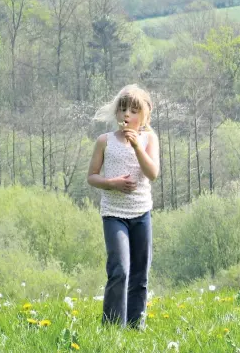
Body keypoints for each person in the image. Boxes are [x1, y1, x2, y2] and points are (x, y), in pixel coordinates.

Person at [87, 84, 160, 329]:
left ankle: (135, 327)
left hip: (141, 214)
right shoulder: (104, 141)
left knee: (140, 274)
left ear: (143, 116)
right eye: (123, 109)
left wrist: (137, 146)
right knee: (119, 269)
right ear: (117, 113)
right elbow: (92, 176)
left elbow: (152, 173)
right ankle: (111, 327)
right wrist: (112, 183)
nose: (127, 115)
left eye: (133, 111)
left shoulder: (149, 139)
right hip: (113, 215)